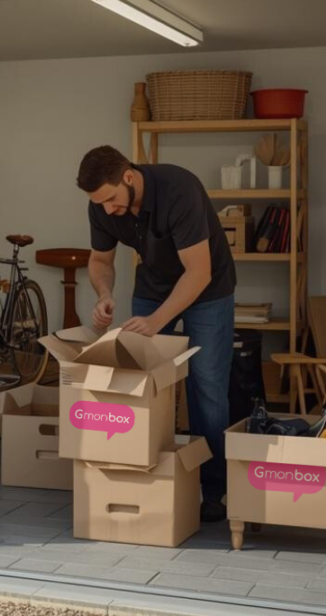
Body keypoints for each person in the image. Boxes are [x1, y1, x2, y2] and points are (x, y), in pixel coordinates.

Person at [77, 145, 235, 523]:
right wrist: (104, 294)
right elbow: (99, 260)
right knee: (140, 380)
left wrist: (155, 320)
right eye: (99, 204)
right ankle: (144, 476)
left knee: (207, 385)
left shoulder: (179, 189)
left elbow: (198, 272)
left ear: (129, 177)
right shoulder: (102, 205)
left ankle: (215, 489)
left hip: (207, 290)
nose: (107, 210)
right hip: (153, 286)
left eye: (112, 200)